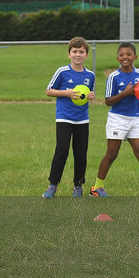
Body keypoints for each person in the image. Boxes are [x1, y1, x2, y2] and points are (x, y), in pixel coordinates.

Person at [91, 42, 139, 201]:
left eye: (129, 54)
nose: (125, 57)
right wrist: (126, 93)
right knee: (112, 154)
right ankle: (96, 187)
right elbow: (108, 101)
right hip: (117, 119)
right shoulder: (114, 77)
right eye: (122, 55)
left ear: (135, 57)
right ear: (117, 58)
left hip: (135, 119)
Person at [42, 37, 96, 198]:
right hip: (64, 118)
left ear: (86, 55)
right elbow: (49, 90)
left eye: (81, 52)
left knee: (81, 154)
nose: (78, 54)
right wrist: (67, 93)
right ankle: (52, 185)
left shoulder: (90, 75)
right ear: (69, 54)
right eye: (75, 51)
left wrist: (91, 96)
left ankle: (78, 186)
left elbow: (88, 94)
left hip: (82, 119)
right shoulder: (62, 72)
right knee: (62, 150)